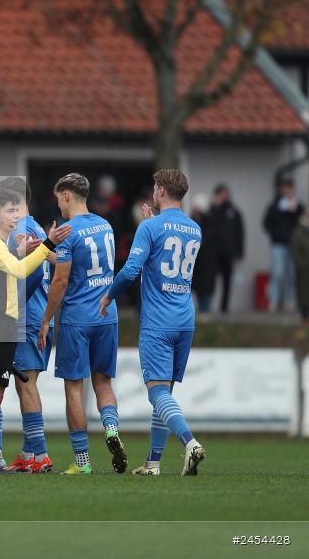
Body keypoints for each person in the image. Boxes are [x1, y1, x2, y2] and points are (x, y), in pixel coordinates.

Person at [100, 169, 206, 476]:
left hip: (159, 321)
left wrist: (109, 296)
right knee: (165, 394)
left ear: (160, 191)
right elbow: (165, 254)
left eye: (155, 187)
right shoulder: (195, 228)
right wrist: (150, 227)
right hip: (184, 319)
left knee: (157, 393)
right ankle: (153, 462)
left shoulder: (150, 227)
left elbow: (131, 270)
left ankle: (190, 443)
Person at [0, 186, 70, 473]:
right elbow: (20, 271)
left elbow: (6, 273)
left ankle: (2, 457)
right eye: (10, 211)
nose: (16, 216)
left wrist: (23, 251)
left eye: (17, 209)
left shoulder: (0, 246)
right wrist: (47, 245)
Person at [38, 173, 126, 476]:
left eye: (58, 199)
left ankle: (83, 462)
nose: (58, 205)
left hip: (77, 318)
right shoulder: (105, 225)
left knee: (74, 388)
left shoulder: (68, 230)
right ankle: (111, 429)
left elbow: (61, 279)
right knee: (103, 382)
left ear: (66, 196)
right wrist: (44, 251)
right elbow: (78, 262)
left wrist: (46, 319)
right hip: (106, 315)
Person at [0, 177, 59, 474]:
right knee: (26, 384)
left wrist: (14, 304)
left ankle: (41, 454)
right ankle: (28, 453)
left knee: (26, 384)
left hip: (27, 317)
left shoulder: (19, 229)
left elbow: (28, 275)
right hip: (38, 315)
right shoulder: (34, 227)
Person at [263, 178, 303, 312]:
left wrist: (295, 210)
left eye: (290, 188)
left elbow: (302, 222)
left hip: (293, 245)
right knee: (277, 272)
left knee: (292, 273)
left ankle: (289, 300)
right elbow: (266, 223)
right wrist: (276, 234)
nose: (288, 191)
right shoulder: (274, 206)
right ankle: (273, 300)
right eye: (286, 188)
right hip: (278, 244)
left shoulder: (298, 206)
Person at [209, 184, 243, 313]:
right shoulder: (212, 210)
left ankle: (224, 308)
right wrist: (215, 207)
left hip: (228, 253)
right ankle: (209, 306)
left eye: (225, 194)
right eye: (221, 194)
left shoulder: (234, 212)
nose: (224, 197)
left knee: (227, 282)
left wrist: (239, 252)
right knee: (211, 280)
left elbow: (240, 233)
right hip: (214, 253)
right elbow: (208, 225)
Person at [190, 193, 218, 313]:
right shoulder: (192, 221)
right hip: (196, 266)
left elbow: (205, 239)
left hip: (206, 265)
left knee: (205, 298)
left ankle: (205, 312)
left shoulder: (210, 222)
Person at [289, 209, 309, 325]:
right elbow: (295, 250)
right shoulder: (299, 232)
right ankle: (304, 316)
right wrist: (301, 263)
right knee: (303, 292)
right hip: (304, 269)